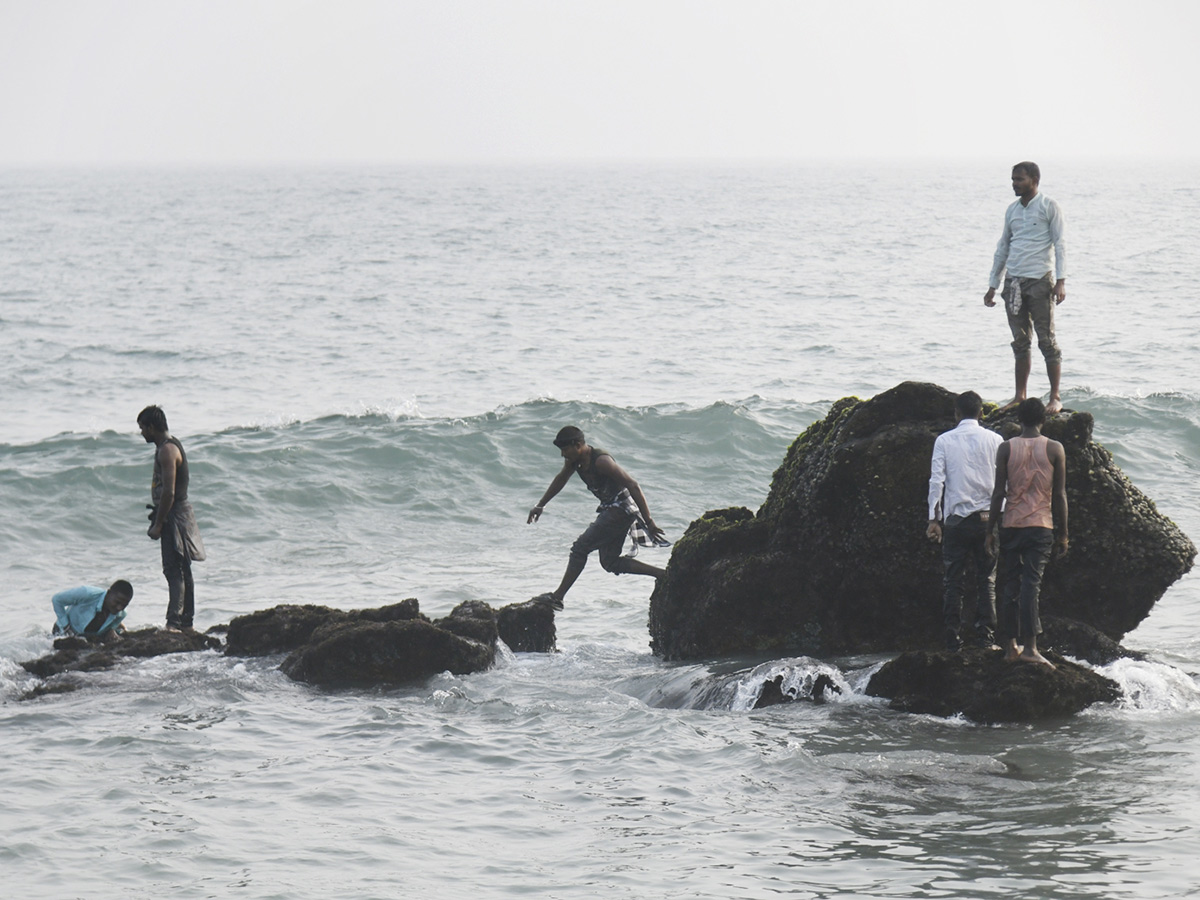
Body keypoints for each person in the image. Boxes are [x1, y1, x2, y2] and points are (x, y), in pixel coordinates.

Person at [527, 426, 669, 609]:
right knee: (610, 562)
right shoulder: (574, 461)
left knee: (580, 548)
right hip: (611, 510)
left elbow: (632, 485)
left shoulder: (601, 461)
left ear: (578, 445)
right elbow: (561, 479)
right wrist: (540, 505)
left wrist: (649, 520)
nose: (563, 455)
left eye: (565, 450)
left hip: (620, 509)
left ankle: (558, 597)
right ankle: (663, 575)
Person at [986, 398, 1069, 668]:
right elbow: (1059, 495)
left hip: (1010, 525)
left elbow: (999, 492)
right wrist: (1064, 534)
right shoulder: (1055, 448)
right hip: (1041, 526)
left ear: (1019, 419)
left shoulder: (1006, 448)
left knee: (1009, 586)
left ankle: (1011, 647)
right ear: (1043, 420)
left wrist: (990, 531)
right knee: (1030, 586)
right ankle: (1031, 647)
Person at [983, 161, 1067, 414]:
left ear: (1034, 180)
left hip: (1040, 280)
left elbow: (1060, 244)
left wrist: (1061, 281)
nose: (1014, 184)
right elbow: (1003, 248)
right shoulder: (1012, 210)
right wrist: (992, 285)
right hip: (1014, 282)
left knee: (1046, 340)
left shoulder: (1049, 206)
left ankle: (1055, 396)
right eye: (1013, 179)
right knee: (1020, 341)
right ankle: (1020, 396)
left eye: (1019, 179)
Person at [926, 391, 1004, 651]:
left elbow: (937, 481)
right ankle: (986, 639)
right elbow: (1004, 484)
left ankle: (952, 640)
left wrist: (934, 520)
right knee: (987, 580)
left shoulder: (944, 441)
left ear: (956, 414)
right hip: (987, 519)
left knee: (953, 581)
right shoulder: (996, 440)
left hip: (957, 520)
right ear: (982, 413)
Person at [138, 405, 206, 632]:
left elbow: (169, 492)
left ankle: (175, 624)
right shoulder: (167, 446)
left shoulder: (167, 450)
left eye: (142, 428)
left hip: (174, 515)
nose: (141, 433)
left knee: (174, 568)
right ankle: (186, 623)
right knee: (181, 569)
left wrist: (159, 523)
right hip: (174, 512)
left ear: (151, 427)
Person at [51, 581, 133, 640]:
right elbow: (57, 600)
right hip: (61, 631)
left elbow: (112, 628)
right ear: (108, 593)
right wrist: (66, 627)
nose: (119, 608)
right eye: (117, 602)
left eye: (124, 605)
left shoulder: (120, 615)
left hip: (83, 639)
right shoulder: (87, 593)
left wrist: (112, 630)